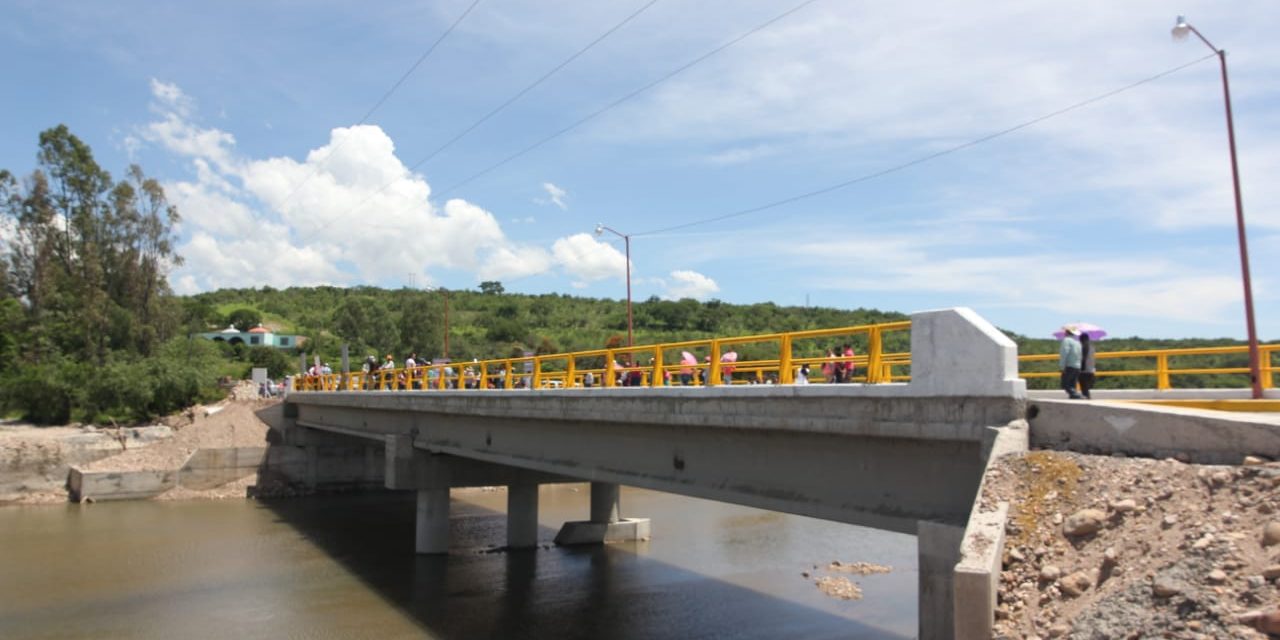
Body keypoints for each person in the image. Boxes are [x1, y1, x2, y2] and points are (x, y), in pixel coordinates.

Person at [1059, 326, 1084, 399]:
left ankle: (1076, 395)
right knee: (1073, 384)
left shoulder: (1066, 340)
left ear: (1067, 332)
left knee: (1065, 383)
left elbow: (1064, 353)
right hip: (1077, 366)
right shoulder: (1077, 342)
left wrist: (1062, 366)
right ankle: (1073, 395)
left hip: (1069, 366)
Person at [1078, 334, 1097, 399]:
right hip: (1091, 369)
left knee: (1084, 387)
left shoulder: (1084, 346)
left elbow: (1083, 358)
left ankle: (1087, 397)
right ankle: (1087, 396)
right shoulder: (1092, 347)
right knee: (1086, 387)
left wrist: (1080, 367)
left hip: (1085, 369)